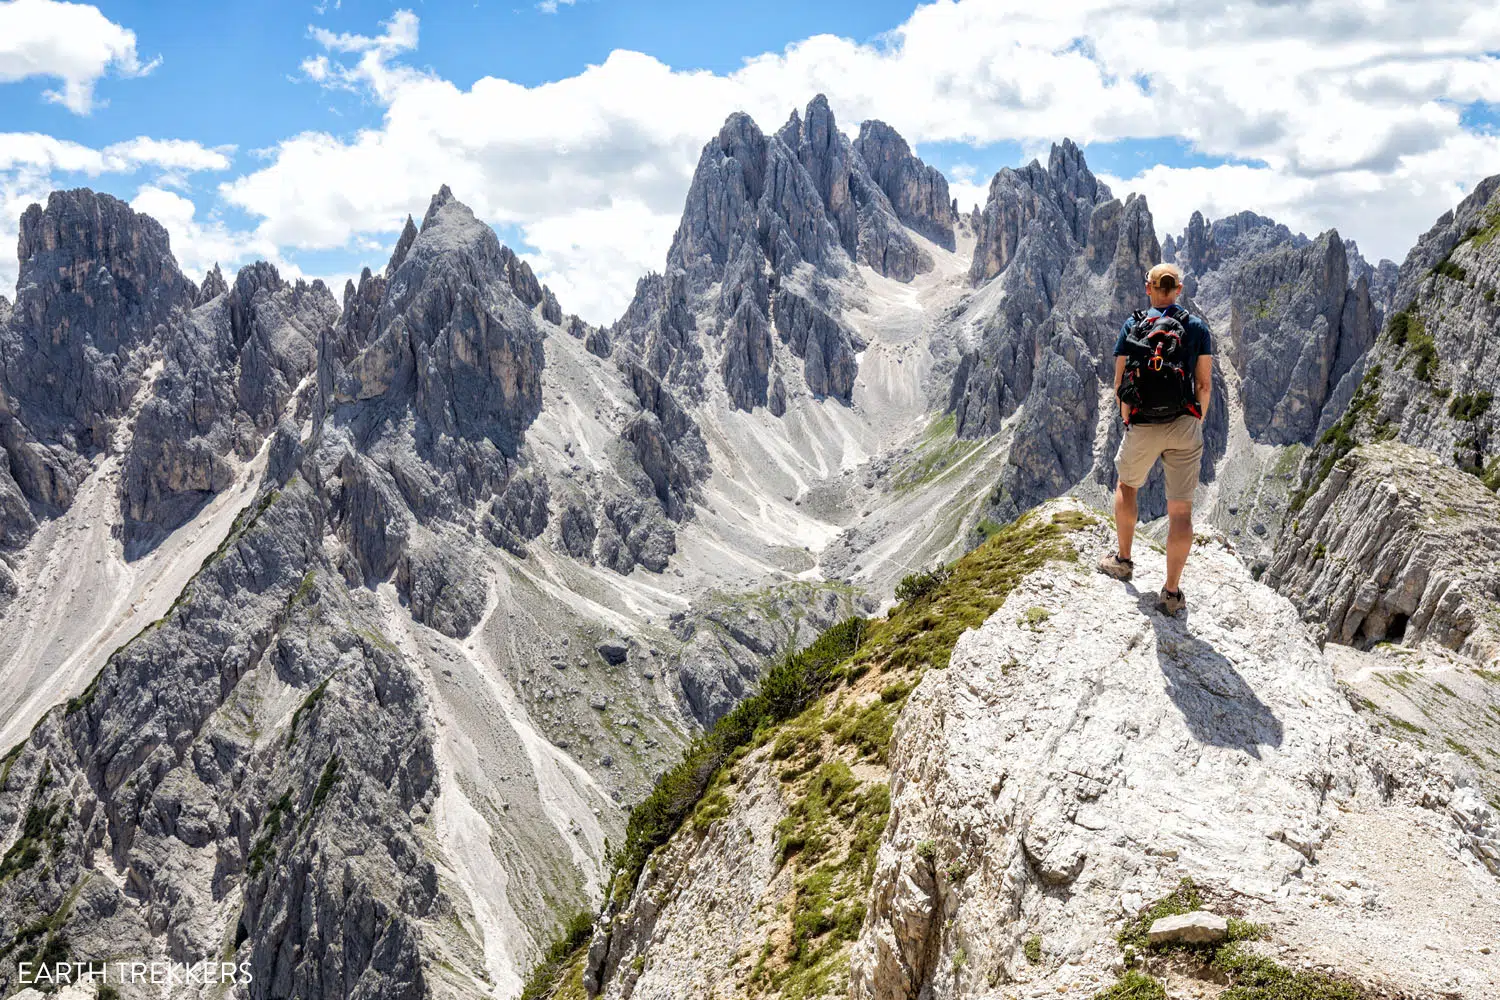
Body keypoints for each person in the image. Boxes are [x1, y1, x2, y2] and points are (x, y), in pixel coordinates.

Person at [1097, 262, 1213, 615]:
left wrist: (1127, 418)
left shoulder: (1133, 324)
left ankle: (1123, 560)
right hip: (1184, 425)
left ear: (1149, 288)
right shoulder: (1196, 327)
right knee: (1180, 511)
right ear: (1178, 289)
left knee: (1127, 486)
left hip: (1143, 423)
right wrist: (1196, 419)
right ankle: (1171, 593)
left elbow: (1120, 385)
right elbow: (1205, 385)